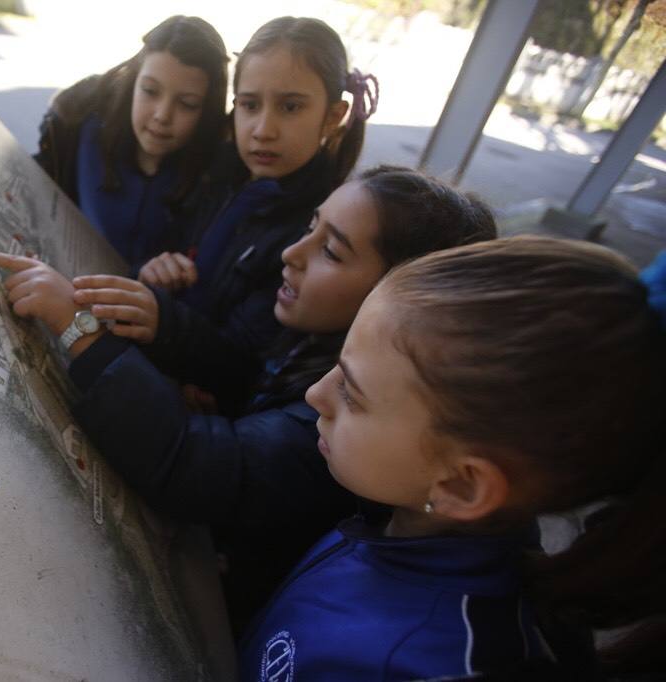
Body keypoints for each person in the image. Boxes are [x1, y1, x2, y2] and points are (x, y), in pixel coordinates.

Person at [0, 166, 497, 634]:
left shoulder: (350, 422)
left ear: (397, 299)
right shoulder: (313, 340)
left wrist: (79, 327)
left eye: (331, 251)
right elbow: (248, 373)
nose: (292, 254)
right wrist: (167, 326)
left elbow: (195, 463)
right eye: (310, 228)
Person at [238, 236, 666, 680]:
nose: (315, 394)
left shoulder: (421, 666)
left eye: (352, 391)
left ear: (461, 485)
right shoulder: (394, 514)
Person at [108, 16, 379, 368]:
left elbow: (246, 361)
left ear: (332, 116)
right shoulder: (216, 177)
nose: (263, 130)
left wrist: (161, 318)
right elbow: (164, 249)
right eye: (250, 105)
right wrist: (151, 273)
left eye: (291, 107)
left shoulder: (314, 235)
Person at [34, 15, 228, 270]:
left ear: (207, 111)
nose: (162, 115)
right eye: (150, 90)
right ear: (133, 81)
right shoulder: (77, 124)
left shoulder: (222, 175)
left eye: (187, 104)